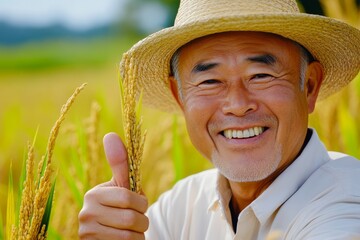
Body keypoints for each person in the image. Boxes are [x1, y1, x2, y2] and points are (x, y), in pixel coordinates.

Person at [78, 0, 360, 239]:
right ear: (180, 97)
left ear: (309, 85)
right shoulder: (180, 207)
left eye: (261, 75)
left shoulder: (347, 202)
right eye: (210, 80)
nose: (237, 105)